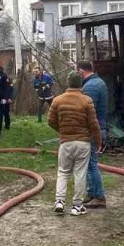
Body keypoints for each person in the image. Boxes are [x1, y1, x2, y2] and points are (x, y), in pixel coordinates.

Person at [46, 72, 101, 216]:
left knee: (63, 172)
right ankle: (77, 206)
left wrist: (63, 130)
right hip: (83, 143)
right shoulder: (87, 100)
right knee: (80, 173)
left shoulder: (57, 100)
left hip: (65, 142)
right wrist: (98, 141)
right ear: (80, 84)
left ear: (68, 83)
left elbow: (50, 121)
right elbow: (93, 124)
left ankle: (59, 201)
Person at [77, 60, 108, 208]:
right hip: (98, 128)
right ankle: (92, 192)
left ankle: (99, 197)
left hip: (92, 130)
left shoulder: (91, 87)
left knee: (91, 165)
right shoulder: (98, 82)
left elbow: (87, 111)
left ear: (81, 72)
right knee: (89, 164)